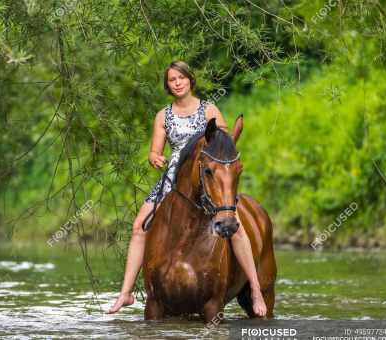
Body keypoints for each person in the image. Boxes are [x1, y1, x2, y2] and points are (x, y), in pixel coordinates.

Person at [107, 61, 267, 316]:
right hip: (174, 177)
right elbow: (155, 150)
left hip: (209, 177)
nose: (178, 82)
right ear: (168, 86)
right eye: (172, 79)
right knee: (139, 226)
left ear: (190, 80)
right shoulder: (163, 115)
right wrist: (154, 157)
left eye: (181, 77)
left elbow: (224, 145)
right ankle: (126, 293)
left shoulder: (209, 109)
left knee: (235, 229)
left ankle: (256, 289)